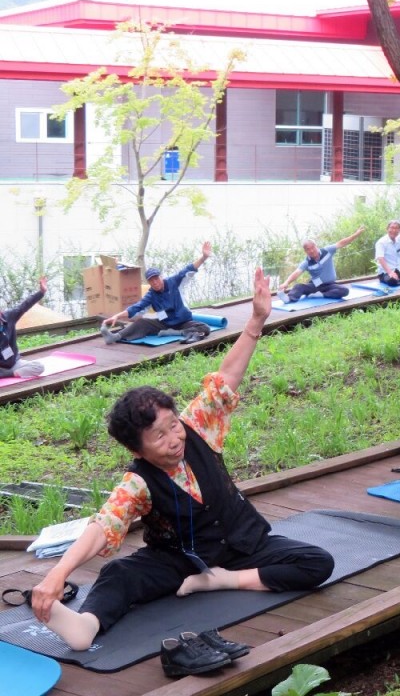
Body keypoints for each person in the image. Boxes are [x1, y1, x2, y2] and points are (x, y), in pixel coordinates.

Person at [30, 269, 334, 658]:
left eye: (173, 426)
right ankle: (85, 625)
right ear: (138, 450)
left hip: (244, 546)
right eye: (160, 437)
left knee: (315, 562)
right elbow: (103, 526)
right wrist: (58, 573)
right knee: (119, 574)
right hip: (177, 559)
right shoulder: (138, 481)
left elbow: (226, 376)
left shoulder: (197, 426)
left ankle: (224, 581)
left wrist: (257, 319)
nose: (174, 439)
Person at [100, 242, 212, 345]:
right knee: (142, 322)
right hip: (164, 323)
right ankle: (115, 336)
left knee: (204, 328)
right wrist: (116, 316)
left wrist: (204, 257)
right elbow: (136, 307)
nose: (155, 282)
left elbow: (189, 269)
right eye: (151, 281)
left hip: (183, 322)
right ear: (149, 282)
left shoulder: (174, 282)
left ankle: (177, 333)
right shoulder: (151, 294)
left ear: (161, 277)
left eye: (156, 278)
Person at [278, 227, 365, 302]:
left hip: (330, 285)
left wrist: (356, 234)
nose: (311, 251)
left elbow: (342, 243)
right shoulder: (306, 262)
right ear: (305, 251)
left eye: (313, 247)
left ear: (316, 246)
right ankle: (289, 299)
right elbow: (296, 273)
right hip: (315, 285)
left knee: (344, 291)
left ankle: (321, 295)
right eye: (308, 249)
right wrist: (286, 283)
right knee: (299, 286)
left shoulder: (327, 251)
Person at [0, 277, 48, 379]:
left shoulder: (9, 316)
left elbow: (24, 305)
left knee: (38, 367)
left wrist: (41, 292)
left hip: (14, 364)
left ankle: (8, 375)